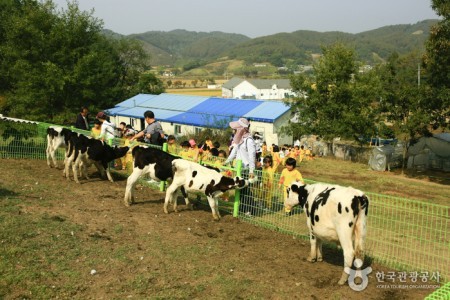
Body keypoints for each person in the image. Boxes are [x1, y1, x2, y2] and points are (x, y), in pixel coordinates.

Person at [224, 117, 257, 215]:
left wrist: (251, 171)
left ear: (241, 129)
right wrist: (226, 162)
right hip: (239, 169)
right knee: (240, 190)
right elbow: (233, 153)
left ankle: (250, 210)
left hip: (246, 169)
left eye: (236, 129)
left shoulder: (249, 141)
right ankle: (242, 208)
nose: (234, 131)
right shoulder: (239, 140)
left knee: (246, 190)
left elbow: (252, 156)